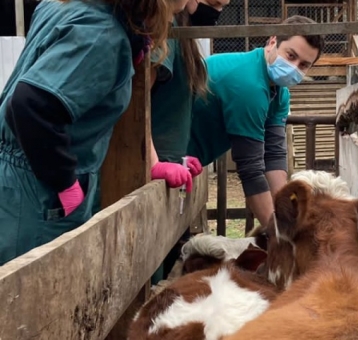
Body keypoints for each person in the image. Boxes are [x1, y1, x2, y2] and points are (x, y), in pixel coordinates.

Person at [0, 0, 178, 266]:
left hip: (17, 180)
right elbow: (30, 105)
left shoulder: (64, 6)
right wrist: (66, 184)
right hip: (37, 194)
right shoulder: (102, 35)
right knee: (33, 295)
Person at [187, 15, 325, 231]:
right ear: (272, 42)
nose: (294, 67)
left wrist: (287, 217)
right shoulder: (249, 85)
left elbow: (274, 155)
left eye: (303, 65)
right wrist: (277, 234)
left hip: (187, 159)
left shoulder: (280, 93)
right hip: (161, 150)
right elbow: (251, 170)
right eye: (290, 56)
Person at [147, 0, 231, 284]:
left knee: (161, 262)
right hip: (143, 179)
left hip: (165, 178)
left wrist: (176, 157)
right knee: (147, 274)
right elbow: (135, 105)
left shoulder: (183, 32)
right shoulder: (163, 29)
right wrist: (153, 161)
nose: (221, 5)